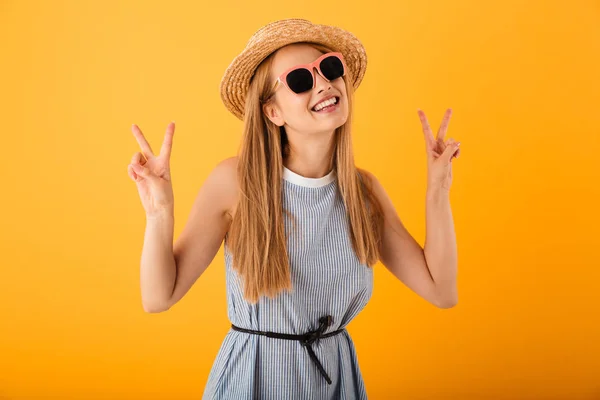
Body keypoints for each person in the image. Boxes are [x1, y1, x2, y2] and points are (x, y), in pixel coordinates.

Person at [127, 18, 460, 400]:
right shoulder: (236, 182)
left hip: (336, 383)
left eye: (330, 68)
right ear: (272, 112)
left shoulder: (362, 193)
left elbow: (441, 290)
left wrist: (438, 189)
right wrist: (158, 212)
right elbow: (158, 297)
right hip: (253, 382)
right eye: (301, 80)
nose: (323, 84)